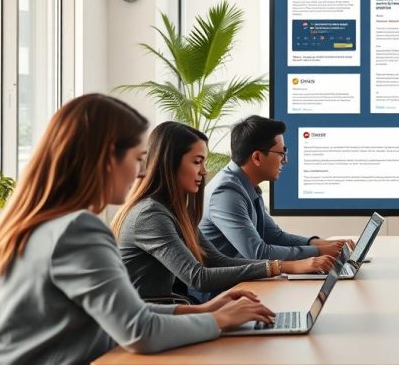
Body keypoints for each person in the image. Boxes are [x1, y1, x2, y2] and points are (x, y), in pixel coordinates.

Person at [0, 95, 275, 365]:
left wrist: (204, 311)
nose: (141, 172)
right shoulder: (78, 230)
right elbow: (139, 331)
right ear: (107, 158)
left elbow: (130, 313)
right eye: (136, 159)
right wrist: (219, 321)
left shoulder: (41, 225)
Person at [112, 122, 336, 301]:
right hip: (145, 323)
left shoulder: (173, 210)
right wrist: (282, 266)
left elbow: (216, 260)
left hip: (163, 313)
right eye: (197, 162)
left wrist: (287, 264)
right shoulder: (150, 215)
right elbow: (198, 277)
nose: (204, 171)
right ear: (170, 164)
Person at [200, 116, 351, 261]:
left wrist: (322, 243)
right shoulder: (226, 193)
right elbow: (257, 253)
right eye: (281, 153)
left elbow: (274, 235)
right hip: (224, 287)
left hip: (245, 280)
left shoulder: (245, 185)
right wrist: (319, 252)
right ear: (257, 157)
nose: (285, 160)